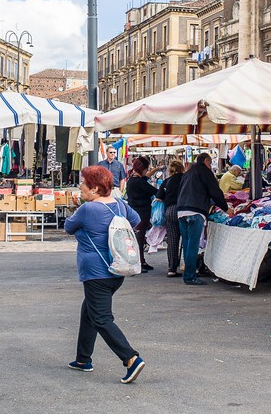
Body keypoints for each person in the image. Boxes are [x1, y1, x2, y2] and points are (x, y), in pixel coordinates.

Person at [63, 165, 145, 383]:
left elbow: (68, 227)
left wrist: (86, 227)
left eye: (83, 184)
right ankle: (83, 359)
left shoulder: (88, 209)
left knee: (101, 318)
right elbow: (135, 220)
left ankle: (131, 358)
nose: (80, 187)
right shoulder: (120, 204)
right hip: (116, 270)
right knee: (89, 311)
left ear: (95, 189)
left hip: (96, 273)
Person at [176, 153, 229, 285]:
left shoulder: (188, 173)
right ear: (206, 161)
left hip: (181, 210)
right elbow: (215, 192)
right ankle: (190, 276)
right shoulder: (205, 171)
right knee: (193, 245)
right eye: (210, 163)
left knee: (187, 244)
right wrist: (226, 208)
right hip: (195, 210)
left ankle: (188, 274)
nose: (210, 166)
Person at [124, 156, 163, 271]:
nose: (147, 171)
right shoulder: (139, 182)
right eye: (146, 168)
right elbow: (155, 191)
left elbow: (146, 177)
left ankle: (141, 261)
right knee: (139, 239)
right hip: (141, 214)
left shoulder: (132, 180)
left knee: (138, 238)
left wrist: (156, 170)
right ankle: (138, 262)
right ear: (142, 168)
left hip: (135, 213)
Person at [156, 161, 185, 278]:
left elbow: (158, 198)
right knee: (187, 239)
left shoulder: (167, 181)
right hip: (184, 209)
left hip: (170, 211)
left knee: (172, 241)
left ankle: (172, 269)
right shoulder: (186, 179)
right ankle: (188, 266)